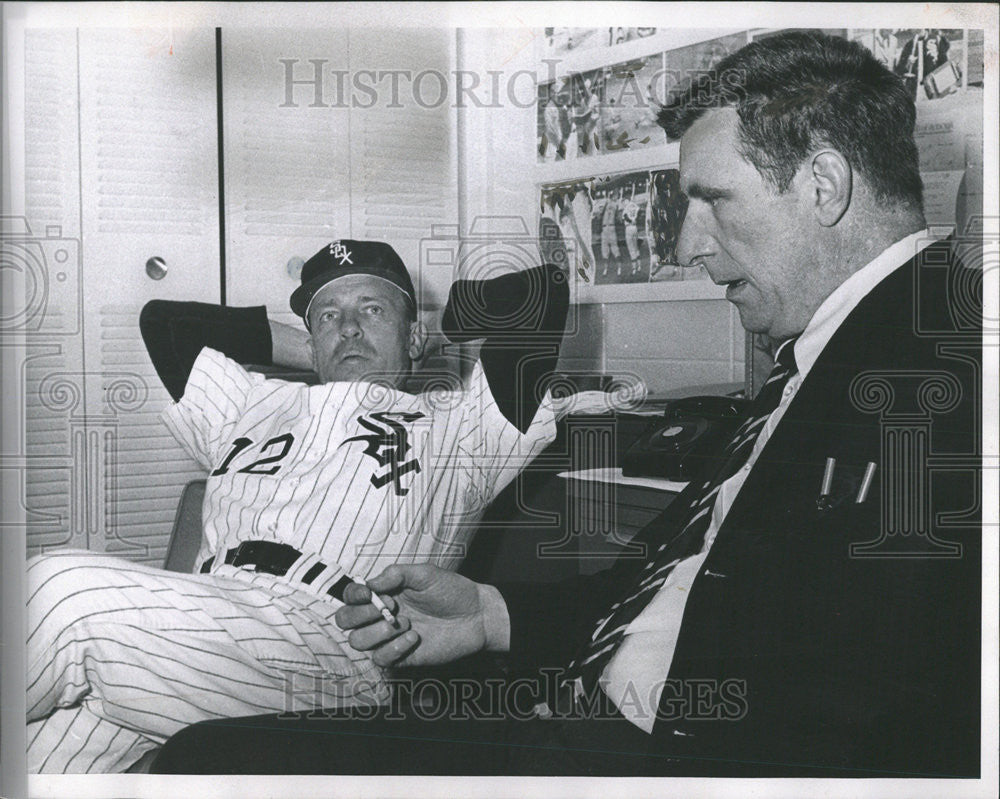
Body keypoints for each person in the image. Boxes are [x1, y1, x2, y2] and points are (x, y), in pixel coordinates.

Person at [156, 32, 981, 777]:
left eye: (713, 199)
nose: (687, 243)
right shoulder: (813, 360)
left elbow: (895, 706)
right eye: (327, 316)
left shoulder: (947, 359)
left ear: (824, 183)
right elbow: (670, 583)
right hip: (566, 719)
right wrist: (490, 611)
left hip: (641, 757)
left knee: (196, 757)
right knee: (199, 757)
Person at [26, 239, 570, 773]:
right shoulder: (257, 403)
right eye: (329, 315)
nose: (349, 327)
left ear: (414, 336)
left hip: (336, 642)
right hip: (210, 625)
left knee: (59, 592)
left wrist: (413, 338)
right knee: (37, 755)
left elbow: (535, 294)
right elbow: (165, 322)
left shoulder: (461, 426)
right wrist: (316, 346)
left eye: (373, 310)